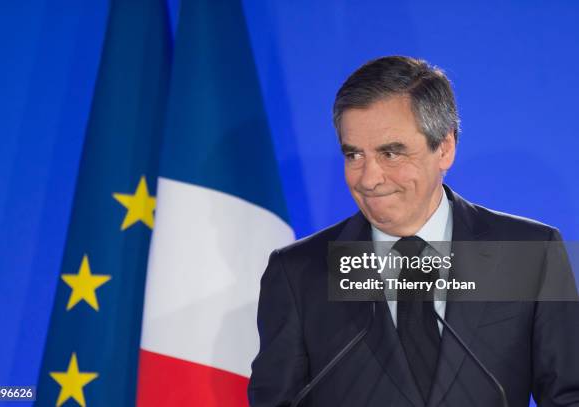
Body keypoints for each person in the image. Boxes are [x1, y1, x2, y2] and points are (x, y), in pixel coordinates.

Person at [248, 56, 579, 406]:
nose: (369, 178)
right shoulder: (300, 272)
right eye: (354, 155)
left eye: (391, 153)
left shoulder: (529, 254)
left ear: (445, 148)